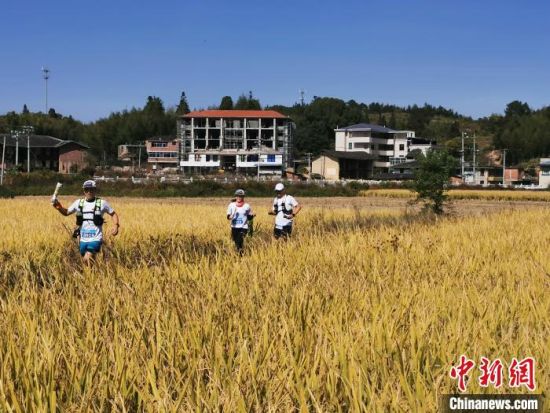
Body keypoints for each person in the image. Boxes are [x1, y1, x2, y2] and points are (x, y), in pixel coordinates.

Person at [52, 180, 120, 265]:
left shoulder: (102, 203)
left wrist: (116, 226)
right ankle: (95, 275)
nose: (89, 192)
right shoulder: (78, 203)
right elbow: (66, 212)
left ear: (95, 190)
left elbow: (113, 214)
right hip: (82, 239)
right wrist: (58, 206)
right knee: (89, 263)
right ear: (84, 191)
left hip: (96, 238)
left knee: (87, 258)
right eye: (86, 189)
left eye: (91, 189)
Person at [227, 189, 255, 254]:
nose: (239, 197)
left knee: (239, 240)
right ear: (236, 196)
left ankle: (240, 254)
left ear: (243, 197)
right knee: (237, 243)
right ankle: (241, 255)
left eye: (241, 196)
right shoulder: (231, 205)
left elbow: (249, 217)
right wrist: (231, 216)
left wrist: (252, 215)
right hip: (234, 227)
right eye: (238, 196)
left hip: (243, 227)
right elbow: (228, 217)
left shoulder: (246, 206)